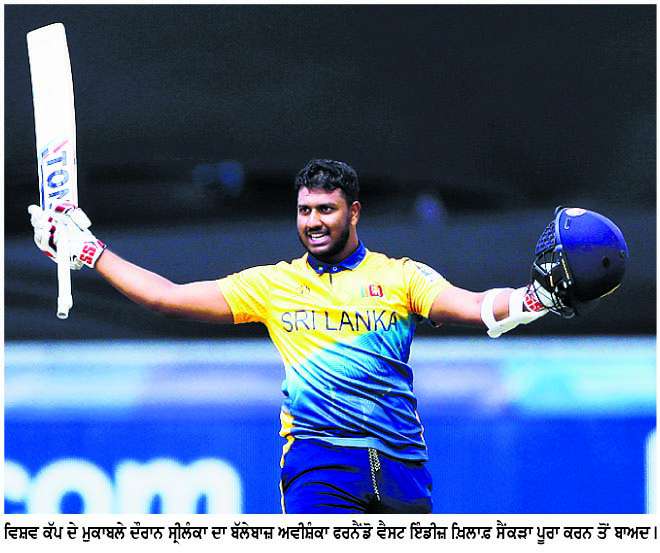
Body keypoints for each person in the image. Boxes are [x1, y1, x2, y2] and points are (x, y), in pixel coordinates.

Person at [29, 158, 549, 513]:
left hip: (402, 468)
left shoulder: (402, 276)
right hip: (320, 465)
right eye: (305, 211)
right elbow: (168, 296)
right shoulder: (272, 285)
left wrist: (534, 299)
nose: (314, 222)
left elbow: (477, 307)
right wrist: (92, 252)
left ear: (354, 212)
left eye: (327, 210)